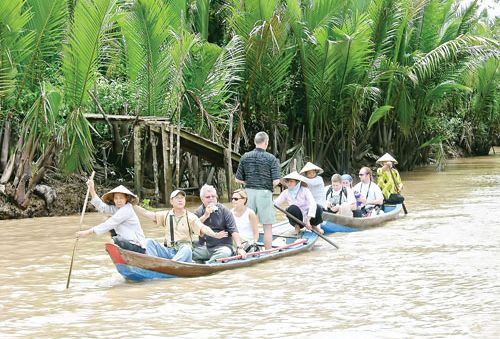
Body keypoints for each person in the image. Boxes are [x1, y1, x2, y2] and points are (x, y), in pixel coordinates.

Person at [133, 190, 227, 262]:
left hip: (182, 252)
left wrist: (215, 235)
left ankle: (172, 265)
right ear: (171, 201)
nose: (180, 200)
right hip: (168, 250)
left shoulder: (190, 216)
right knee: (149, 241)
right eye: (177, 198)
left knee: (187, 249)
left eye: (182, 198)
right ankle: (153, 263)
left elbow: (203, 228)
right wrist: (133, 205)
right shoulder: (166, 215)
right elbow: (147, 213)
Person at [235, 131, 281, 250]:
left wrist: (248, 182)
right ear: (266, 143)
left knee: (248, 223)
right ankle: (268, 252)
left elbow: (237, 179)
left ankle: (245, 248)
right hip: (265, 193)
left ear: (255, 142)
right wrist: (268, 185)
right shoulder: (271, 158)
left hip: (248, 193)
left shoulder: (245, 157)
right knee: (267, 227)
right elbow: (276, 181)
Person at [76, 180, 146, 253]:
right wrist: (92, 189)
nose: (118, 201)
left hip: (137, 246)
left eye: (121, 198)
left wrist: (88, 232)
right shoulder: (116, 208)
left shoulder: (127, 209)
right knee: (107, 220)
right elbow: (102, 207)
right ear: (113, 199)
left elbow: (110, 223)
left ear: (126, 199)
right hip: (127, 242)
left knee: (113, 241)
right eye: (116, 198)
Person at [193, 184, 246, 263]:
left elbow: (234, 230)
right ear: (202, 199)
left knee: (225, 253)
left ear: (216, 198)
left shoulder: (225, 211)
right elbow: (192, 228)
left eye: (213, 196)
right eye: (208, 197)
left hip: (222, 247)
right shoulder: (198, 212)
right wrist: (205, 215)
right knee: (189, 252)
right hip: (204, 247)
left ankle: (208, 265)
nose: (211, 199)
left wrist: (239, 248)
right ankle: (205, 262)